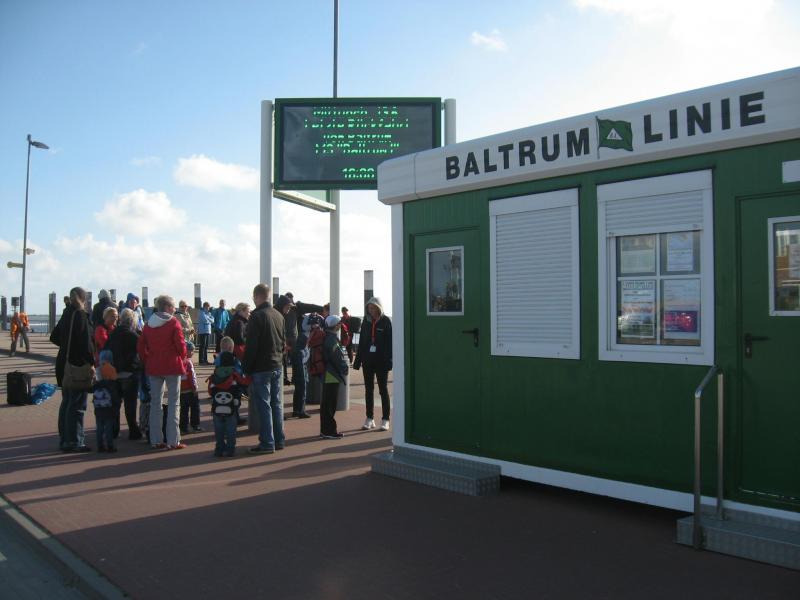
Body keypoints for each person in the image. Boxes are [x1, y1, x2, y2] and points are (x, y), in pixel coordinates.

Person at [137, 294, 187, 450]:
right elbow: (181, 345)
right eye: (173, 307)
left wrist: (148, 359)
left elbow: (141, 346)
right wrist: (183, 356)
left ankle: (156, 440)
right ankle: (173, 440)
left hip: (154, 366)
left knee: (155, 404)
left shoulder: (148, 324)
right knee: (174, 403)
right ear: (167, 307)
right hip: (172, 366)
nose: (174, 309)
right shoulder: (173, 323)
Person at [243, 284, 286, 454]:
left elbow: (251, 346)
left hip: (261, 367)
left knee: (264, 405)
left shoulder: (256, 316)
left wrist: (246, 368)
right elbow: (283, 342)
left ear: (257, 296)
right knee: (276, 404)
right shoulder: (279, 315)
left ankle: (267, 442)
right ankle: (279, 439)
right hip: (277, 365)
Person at [51, 287, 95, 453]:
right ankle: (75, 441)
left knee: (67, 402)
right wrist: (91, 362)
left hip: (63, 363)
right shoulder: (81, 315)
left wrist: (66, 347)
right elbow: (86, 344)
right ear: (84, 299)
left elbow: (54, 336)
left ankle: (65, 439)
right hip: (77, 364)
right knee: (77, 404)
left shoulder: (66, 313)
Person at [353, 296, 392, 431]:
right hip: (367, 361)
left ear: (379, 308)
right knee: (368, 390)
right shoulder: (366, 321)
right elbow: (362, 342)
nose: (371, 311)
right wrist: (357, 361)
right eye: (369, 308)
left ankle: (385, 419)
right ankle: (369, 418)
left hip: (381, 362)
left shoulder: (386, 321)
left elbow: (390, 343)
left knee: (383, 390)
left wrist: (389, 361)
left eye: (373, 308)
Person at [106, 308, 143, 440]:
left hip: (114, 372)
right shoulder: (133, 336)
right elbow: (142, 351)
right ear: (133, 321)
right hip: (129, 372)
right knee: (130, 404)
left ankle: (113, 430)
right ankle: (133, 430)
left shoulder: (113, 334)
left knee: (115, 404)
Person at [208, 351, 250, 457]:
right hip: (231, 405)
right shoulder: (234, 373)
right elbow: (242, 384)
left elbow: (210, 390)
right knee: (231, 428)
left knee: (219, 429)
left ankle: (219, 448)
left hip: (217, 406)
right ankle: (230, 449)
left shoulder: (215, 374)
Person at [320, 315, 349, 439]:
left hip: (326, 373)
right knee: (330, 404)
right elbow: (337, 357)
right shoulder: (332, 340)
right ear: (336, 325)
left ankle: (325, 430)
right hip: (332, 375)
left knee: (326, 404)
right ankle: (329, 431)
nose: (340, 326)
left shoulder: (326, 337)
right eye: (339, 324)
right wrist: (345, 368)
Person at [93, 350, 119, 453]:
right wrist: (117, 404)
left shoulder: (98, 370)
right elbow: (115, 392)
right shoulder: (112, 370)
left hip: (98, 404)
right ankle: (110, 445)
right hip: (109, 405)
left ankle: (100, 445)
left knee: (99, 426)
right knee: (108, 426)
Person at [179, 341, 202, 434]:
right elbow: (191, 376)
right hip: (190, 389)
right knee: (195, 408)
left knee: (183, 410)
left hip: (181, 390)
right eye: (192, 351)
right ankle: (195, 425)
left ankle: (183, 428)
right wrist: (194, 388)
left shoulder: (179, 361)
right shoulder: (188, 362)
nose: (193, 353)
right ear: (187, 351)